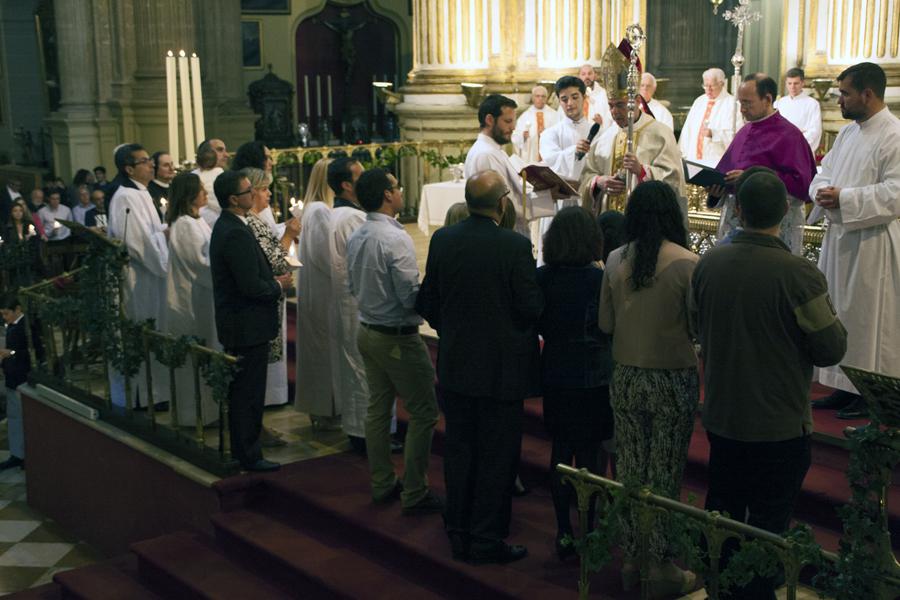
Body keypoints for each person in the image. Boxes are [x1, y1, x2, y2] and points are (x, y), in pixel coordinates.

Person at [691, 171, 847, 600]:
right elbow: (831, 348)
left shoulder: (708, 264)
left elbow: (693, 325)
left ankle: (721, 590)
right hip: (777, 424)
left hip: (722, 417)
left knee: (722, 517)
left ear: (737, 209)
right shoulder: (798, 274)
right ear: (785, 212)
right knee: (767, 529)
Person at [416, 169, 542, 565]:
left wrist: (452, 331)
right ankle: (487, 537)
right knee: (497, 456)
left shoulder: (443, 239)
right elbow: (531, 308)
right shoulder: (514, 247)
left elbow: (428, 301)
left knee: (459, 450)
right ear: (502, 203)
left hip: (456, 366)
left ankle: (458, 528)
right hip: (501, 372)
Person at [598, 181, 698, 597]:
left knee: (632, 470)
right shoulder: (687, 263)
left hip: (625, 376)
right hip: (671, 377)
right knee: (664, 471)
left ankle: (632, 561)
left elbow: (605, 325)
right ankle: (660, 566)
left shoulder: (615, 258)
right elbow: (697, 327)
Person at [346, 168, 442, 515]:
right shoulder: (395, 238)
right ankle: (414, 490)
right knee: (424, 412)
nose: (400, 192)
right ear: (388, 195)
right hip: (396, 336)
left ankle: (382, 481)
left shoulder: (359, 234)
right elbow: (408, 296)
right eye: (397, 187)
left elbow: (352, 286)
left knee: (377, 408)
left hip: (368, 330)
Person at [807, 62, 900, 418]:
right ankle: (841, 385)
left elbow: (895, 193)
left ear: (868, 94)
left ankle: (866, 392)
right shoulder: (848, 134)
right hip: (840, 239)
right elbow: (822, 173)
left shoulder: (892, 134)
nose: (840, 100)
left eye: (845, 93)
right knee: (839, 314)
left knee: (865, 319)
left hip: (872, 243)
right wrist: (821, 192)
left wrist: (843, 198)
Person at [536, 206, 613, 560]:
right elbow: (608, 326)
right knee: (591, 454)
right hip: (594, 377)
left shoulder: (543, 278)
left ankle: (563, 530)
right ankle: (590, 526)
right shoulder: (599, 279)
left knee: (561, 451)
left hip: (555, 372)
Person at [209, 170, 292, 472]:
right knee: (248, 394)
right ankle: (249, 454)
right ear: (234, 199)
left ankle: (246, 450)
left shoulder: (234, 225)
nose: (253, 194)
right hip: (246, 325)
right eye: (248, 191)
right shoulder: (233, 232)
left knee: (246, 391)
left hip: (245, 323)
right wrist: (278, 285)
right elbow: (250, 286)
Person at [706, 73, 817, 255]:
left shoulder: (790, 135)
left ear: (767, 99)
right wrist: (717, 191)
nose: (742, 109)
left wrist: (750, 177)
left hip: (772, 231)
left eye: (747, 103)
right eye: (740, 103)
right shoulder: (744, 131)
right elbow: (726, 172)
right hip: (736, 224)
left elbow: (802, 184)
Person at [579, 43, 685, 216]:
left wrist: (641, 171)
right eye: (611, 106)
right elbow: (586, 177)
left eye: (620, 105)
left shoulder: (660, 134)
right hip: (609, 224)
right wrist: (599, 182)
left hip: (645, 221)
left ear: (636, 101)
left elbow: (673, 180)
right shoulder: (605, 138)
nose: (614, 112)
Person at [107, 143, 169, 408]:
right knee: (143, 331)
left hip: (149, 276)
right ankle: (146, 397)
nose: (151, 164)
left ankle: (156, 394)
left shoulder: (141, 192)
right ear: (129, 168)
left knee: (153, 330)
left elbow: (149, 233)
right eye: (145, 161)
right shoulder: (126, 197)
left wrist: (164, 231)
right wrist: (164, 247)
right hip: (138, 277)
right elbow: (136, 241)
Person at [242, 167, 300, 418]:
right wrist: (289, 234)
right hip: (264, 297)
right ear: (251, 192)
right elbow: (275, 260)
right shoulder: (251, 222)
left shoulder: (255, 218)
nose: (268, 195)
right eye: (264, 189)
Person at [163, 172, 218, 427]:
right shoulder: (185, 224)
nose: (206, 194)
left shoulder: (197, 220)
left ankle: (210, 412)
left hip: (203, 297)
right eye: (201, 190)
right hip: (190, 299)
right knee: (195, 358)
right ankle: (195, 415)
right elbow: (199, 263)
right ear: (189, 195)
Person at [327, 157, 371, 452]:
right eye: (360, 176)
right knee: (362, 367)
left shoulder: (340, 215)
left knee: (355, 363)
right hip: (355, 299)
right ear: (346, 185)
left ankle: (362, 429)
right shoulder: (352, 218)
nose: (365, 180)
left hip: (346, 298)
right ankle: (365, 433)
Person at [464, 94, 555, 238]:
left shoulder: (493, 150)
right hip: (502, 237)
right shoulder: (486, 154)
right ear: (489, 120)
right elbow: (504, 204)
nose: (513, 127)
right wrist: (549, 197)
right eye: (508, 121)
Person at [296, 157, 338, 430]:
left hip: (315, 288)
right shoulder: (321, 211)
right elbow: (326, 256)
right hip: (324, 291)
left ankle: (322, 408)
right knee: (324, 350)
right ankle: (325, 409)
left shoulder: (312, 209)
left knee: (319, 349)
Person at [678, 67, 743, 165]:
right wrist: (681, 154)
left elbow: (737, 136)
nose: (708, 89)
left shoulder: (732, 104)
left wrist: (714, 133)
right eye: (705, 85)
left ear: (721, 84)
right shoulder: (699, 102)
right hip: (692, 159)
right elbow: (687, 130)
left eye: (711, 86)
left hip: (716, 161)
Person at [540, 76, 594, 184]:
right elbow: (550, 164)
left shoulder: (596, 132)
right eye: (564, 99)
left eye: (575, 97)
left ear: (584, 98)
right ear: (559, 101)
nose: (569, 103)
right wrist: (574, 151)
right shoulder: (549, 134)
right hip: (562, 197)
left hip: (590, 194)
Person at [0, 294, 31, 471]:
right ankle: (17, 454)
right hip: (12, 377)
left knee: (24, 417)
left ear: (17, 310)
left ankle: (26, 454)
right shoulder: (12, 325)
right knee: (14, 418)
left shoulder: (27, 326)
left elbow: (29, 352)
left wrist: (9, 354)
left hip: (22, 377)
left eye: (7, 314)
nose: (5, 317)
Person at [774, 67, 822, 153]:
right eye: (789, 83)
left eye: (796, 83)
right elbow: (775, 128)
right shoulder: (780, 103)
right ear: (786, 84)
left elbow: (815, 131)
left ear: (802, 83)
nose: (792, 87)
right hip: (781, 149)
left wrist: (794, 142)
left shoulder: (812, 104)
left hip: (801, 149)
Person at [511, 85, 559, 163]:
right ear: (533, 98)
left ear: (546, 98)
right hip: (531, 157)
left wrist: (548, 134)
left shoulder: (554, 115)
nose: (540, 99)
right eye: (537, 96)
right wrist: (523, 136)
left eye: (543, 96)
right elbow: (515, 136)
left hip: (550, 158)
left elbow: (560, 134)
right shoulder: (525, 117)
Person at [193, 139, 226, 228]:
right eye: (220, 150)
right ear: (206, 153)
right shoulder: (219, 175)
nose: (226, 155)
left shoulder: (192, 176)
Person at [573, 63, 613, 134]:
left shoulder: (604, 94)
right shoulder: (573, 95)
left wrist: (602, 122)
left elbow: (610, 117)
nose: (587, 76)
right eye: (583, 74)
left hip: (599, 135)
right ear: (579, 77)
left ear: (595, 76)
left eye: (590, 73)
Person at [148, 151, 177, 218]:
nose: (171, 168)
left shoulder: (176, 187)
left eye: (172, 164)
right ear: (155, 168)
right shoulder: (149, 190)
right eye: (166, 165)